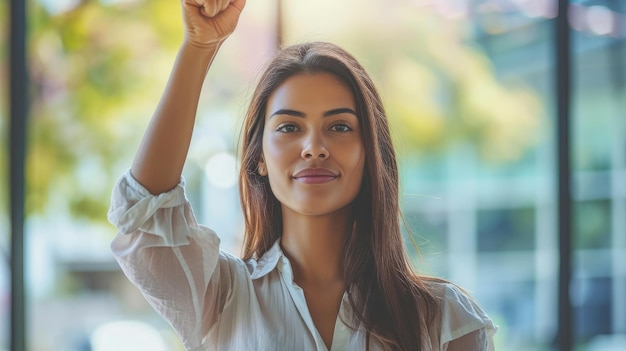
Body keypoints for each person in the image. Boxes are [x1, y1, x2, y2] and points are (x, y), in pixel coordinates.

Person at [107, 0, 498, 350]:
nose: (314, 147)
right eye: (289, 127)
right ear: (259, 158)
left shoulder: (444, 319)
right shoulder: (224, 295)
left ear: (371, 154)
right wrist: (200, 46)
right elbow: (143, 210)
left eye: (340, 127)